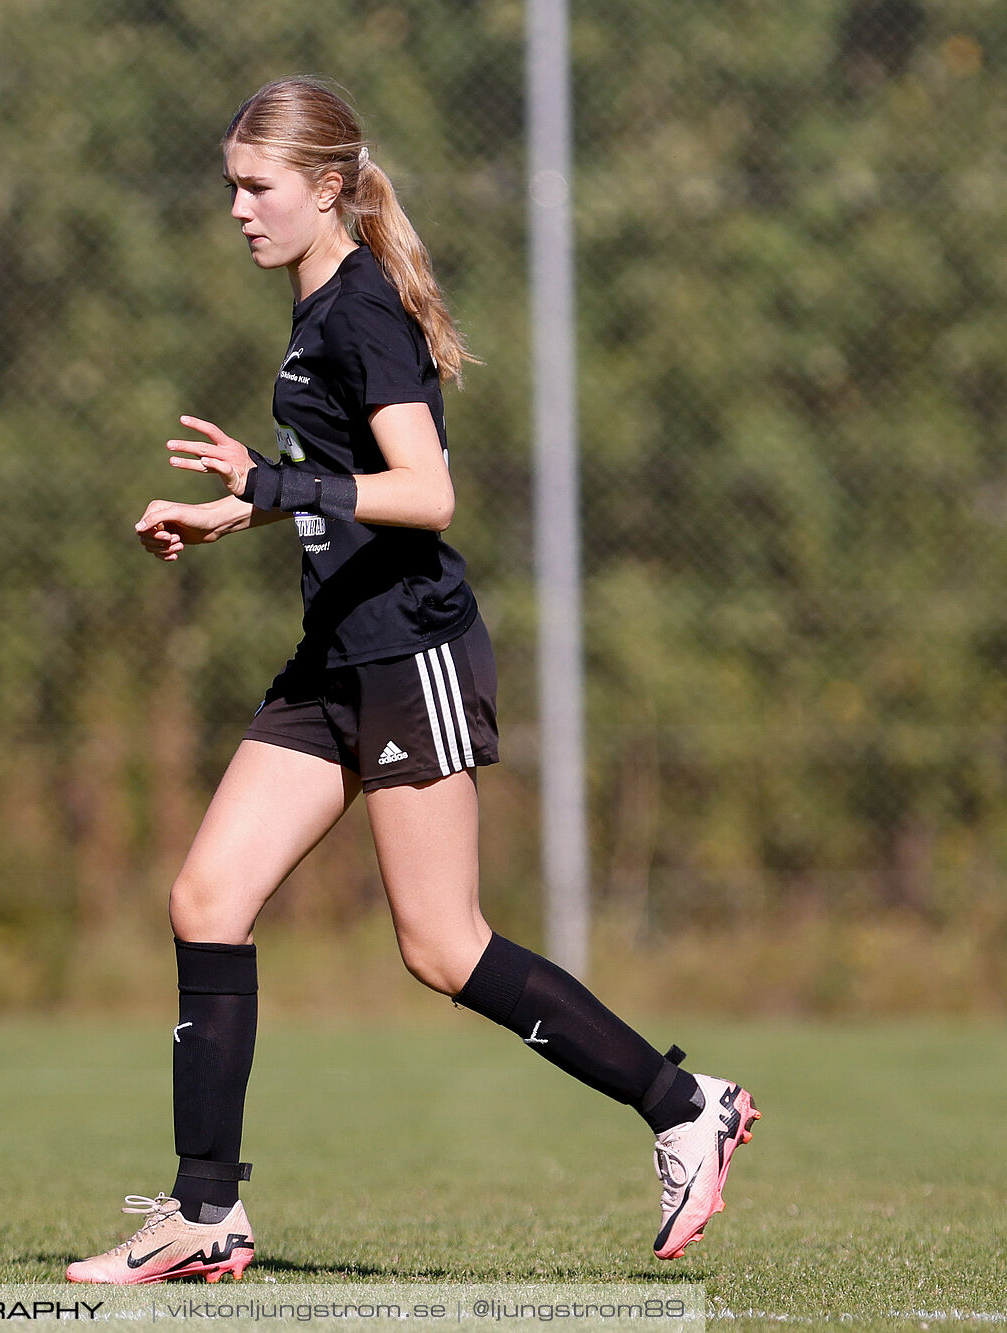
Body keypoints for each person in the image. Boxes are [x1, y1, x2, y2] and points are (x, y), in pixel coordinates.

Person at [66, 79, 758, 1286]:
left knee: (441, 945)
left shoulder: (359, 311)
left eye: (255, 186)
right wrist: (232, 509)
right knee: (206, 895)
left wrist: (273, 488)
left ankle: (680, 1103)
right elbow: (337, 476)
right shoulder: (315, 304)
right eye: (229, 184)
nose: (235, 208)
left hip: (407, 653)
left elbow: (425, 494)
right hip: (331, 651)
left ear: (326, 187)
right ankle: (202, 1213)